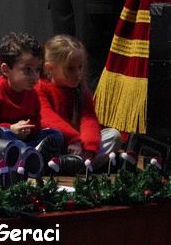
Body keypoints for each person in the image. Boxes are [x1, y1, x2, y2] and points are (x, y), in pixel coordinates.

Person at [0, 32, 65, 165]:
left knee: (55, 134)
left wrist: (29, 128)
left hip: (23, 141)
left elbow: (36, 122)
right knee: (3, 134)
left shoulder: (32, 94)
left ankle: (31, 155)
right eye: (27, 70)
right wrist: (10, 128)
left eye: (37, 70)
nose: (35, 77)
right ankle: (33, 157)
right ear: (6, 70)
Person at [37, 34, 121, 170]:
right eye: (70, 69)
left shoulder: (81, 91)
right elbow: (47, 118)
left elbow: (89, 120)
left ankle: (78, 164)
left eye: (80, 67)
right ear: (50, 68)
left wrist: (89, 148)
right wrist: (73, 138)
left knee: (113, 136)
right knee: (49, 138)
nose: (77, 74)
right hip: (61, 143)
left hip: (79, 146)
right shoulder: (40, 88)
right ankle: (71, 165)